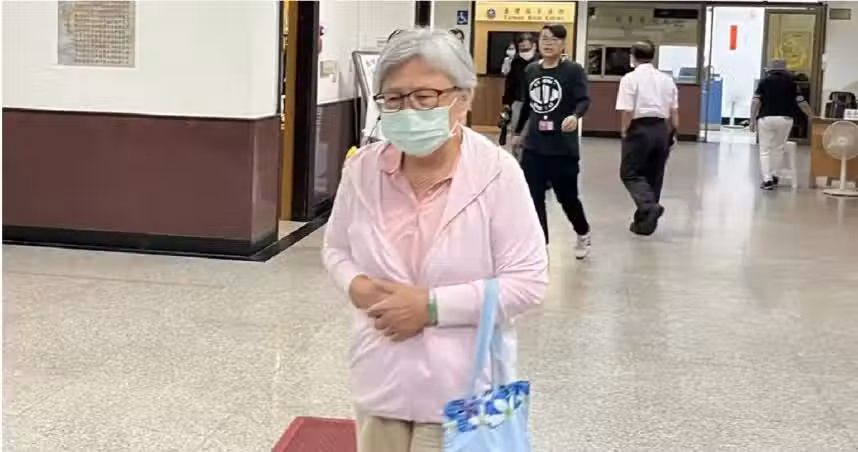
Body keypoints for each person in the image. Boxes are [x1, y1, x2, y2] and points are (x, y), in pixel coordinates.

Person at [321, 29, 548, 452]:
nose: (408, 110)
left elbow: (528, 282)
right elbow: (336, 249)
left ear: (463, 98)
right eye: (393, 99)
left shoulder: (498, 175)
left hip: (461, 392)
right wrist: (356, 285)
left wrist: (430, 307)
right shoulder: (363, 170)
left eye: (424, 97)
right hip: (381, 377)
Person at [512, 23, 592, 259]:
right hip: (534, 146)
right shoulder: (531, 70)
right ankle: (540, 246)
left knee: (567, 198)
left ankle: (583, 232)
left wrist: (575, 116)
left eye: (554, 39)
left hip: (562, 147)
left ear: (563, 44)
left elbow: (584, 100)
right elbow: (528, 106)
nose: (548, 44)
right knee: (533, 197)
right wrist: (517, 133)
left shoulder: (573, 71)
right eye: (544, 39)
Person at [615, 40, 679, 236]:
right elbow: (674, 110)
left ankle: (649, 206)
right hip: (661, 128)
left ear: (633, 57)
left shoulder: (630, 79)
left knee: (629, 173)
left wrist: (625, 130)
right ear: (653, 56)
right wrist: (673, 133)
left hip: (639, 128)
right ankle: (644, 224)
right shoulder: (667, 79)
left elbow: (627, 110)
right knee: (654, 176)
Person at [749, 59, 815, 190]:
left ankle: (767, 180)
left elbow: (756, 101)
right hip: (785, 119)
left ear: (770, 71)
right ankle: (774, 175)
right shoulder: (792, 83)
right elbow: (801, 102)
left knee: (765, 150)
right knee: (778, 148)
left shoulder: (764, 82)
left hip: (766, 118)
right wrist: (811, 115)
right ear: (784, 71)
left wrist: (752, 119)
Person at [499, 33, 537, 155]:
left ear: (534, 46)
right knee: (516, 134)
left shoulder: (540, 62)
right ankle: (517, 159)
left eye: (527, 49)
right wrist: (506, 103)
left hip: (537, 104)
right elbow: (510, 84)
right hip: (518, 102)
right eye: (522, 49)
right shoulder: (516, 62)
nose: (524, 52)